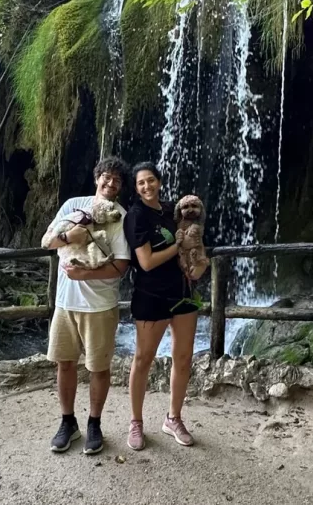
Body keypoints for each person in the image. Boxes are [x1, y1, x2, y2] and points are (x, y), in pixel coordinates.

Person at [41, 156, 132, 455]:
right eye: (106, 177)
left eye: (116, 181)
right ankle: (68, 422)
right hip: (66, 302)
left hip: (100, 306)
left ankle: (94, 423)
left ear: (120, 188)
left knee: (98, 368)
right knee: (64, 363)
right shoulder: (71, 205)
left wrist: (86, 273)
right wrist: (71, 236)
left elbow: (121, 266)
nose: (110, 183)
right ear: (97, 178)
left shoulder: (119, 216)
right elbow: (48, 241)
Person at [123, 161, 199, 451]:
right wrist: (177, 248)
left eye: (151, 180)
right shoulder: (136, 216)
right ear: (136, 187)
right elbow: (146, 262)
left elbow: (193, 237)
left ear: (159, 181)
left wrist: (195, 262)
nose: (147, 186)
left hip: (182, 294)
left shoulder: (172, 210)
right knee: (143, 359)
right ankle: (135, 422)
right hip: (150, 296)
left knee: (183, 358)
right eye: (141, 182)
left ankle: (173, 418)